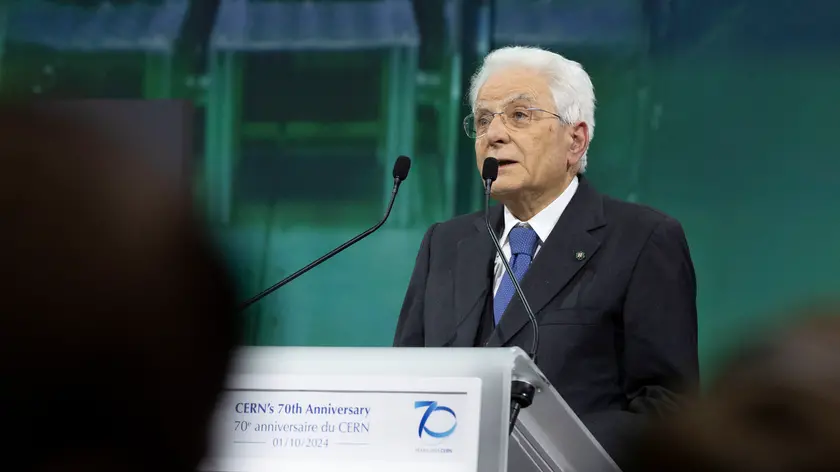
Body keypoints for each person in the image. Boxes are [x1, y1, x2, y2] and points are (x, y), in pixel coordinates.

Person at [393, 46, 699, 465]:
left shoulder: (642, 239)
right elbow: (402, 382)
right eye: (483, 120)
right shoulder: (445, 243)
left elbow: (668, 406)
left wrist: (556, 446)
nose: (493, 134)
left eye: (519, 115)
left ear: (576, 140)